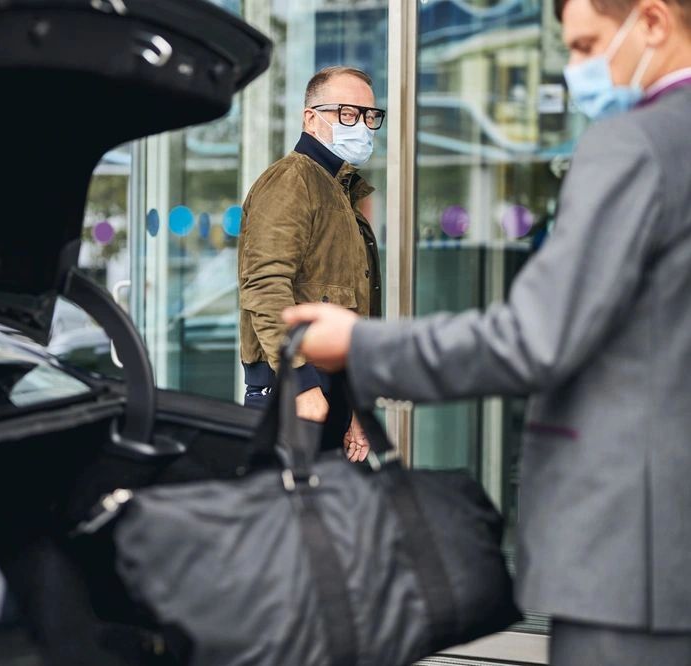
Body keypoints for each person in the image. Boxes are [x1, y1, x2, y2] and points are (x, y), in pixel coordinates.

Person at [283, 0, 691, 661]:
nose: (576, 69)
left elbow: (533, 337)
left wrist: (359, 346)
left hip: (634, 557)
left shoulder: (634, 144)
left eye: (585, 46)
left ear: (651, 22)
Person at [237, 65, 384, 458]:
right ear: (311, 119)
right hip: (292, 390)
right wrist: (300, 382)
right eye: (347, 114)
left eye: (370, 116)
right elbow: (264, 285)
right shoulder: (292, 181)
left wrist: (351, 401)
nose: (363, 126)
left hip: (328, 389)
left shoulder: (338, 189)